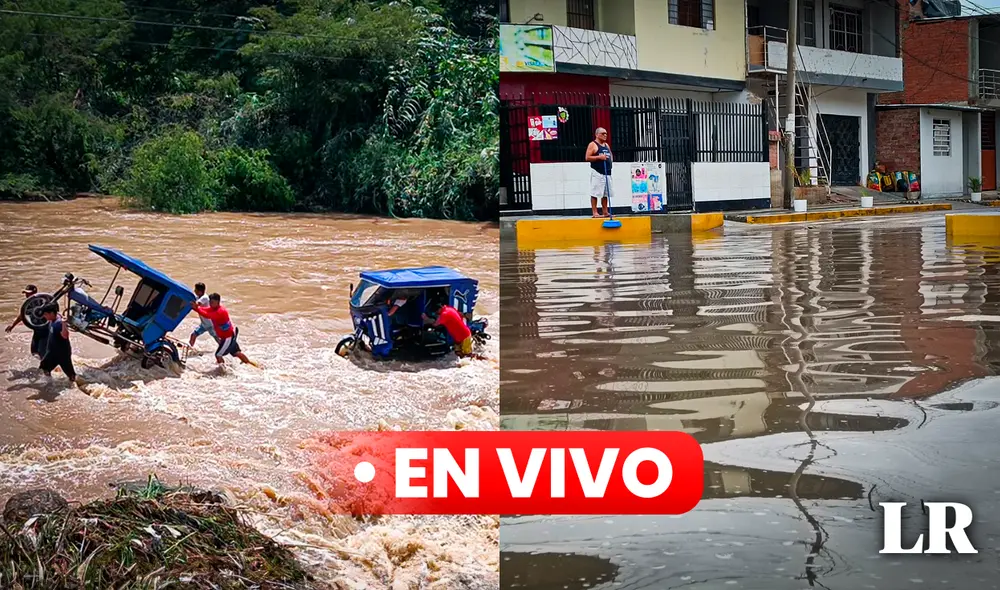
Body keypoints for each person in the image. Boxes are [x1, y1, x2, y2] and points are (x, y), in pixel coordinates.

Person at [190, 293, 259, 367]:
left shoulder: (220, 311)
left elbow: (207, 315)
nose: (210, 304)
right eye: (210, 302)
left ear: (218, 302)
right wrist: (197, 307)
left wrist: (197, 309)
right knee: (236, 353)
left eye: (212, 302)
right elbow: (207, 309)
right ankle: (251, 364)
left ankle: (223, 371)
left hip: (227, 337)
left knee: (218, 355)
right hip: (229, 335)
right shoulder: (213, 308)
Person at [5, 284, 49, 360]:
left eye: (29, 293)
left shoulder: (42, 302)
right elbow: (22, 315)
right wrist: (12, 325)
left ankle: (49, 368)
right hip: (37, 330)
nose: (26, 294)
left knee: (42, 352)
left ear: (34, 292)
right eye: (26, 293)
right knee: (34, 352)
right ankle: (44, 367)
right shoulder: (29, 303)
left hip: (45, 330)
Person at [38, 302, 77, 386]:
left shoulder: (59, 323)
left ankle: (75, 387)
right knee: (44, 368)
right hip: (51, 352)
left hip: (62, 354)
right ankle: (50, 384)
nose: (44, 316)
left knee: (71, 375)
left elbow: (65, 335)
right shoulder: (53, 319)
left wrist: (64, 324)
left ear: (51, 313)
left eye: (45, 314)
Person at [585, 127, 613, 218]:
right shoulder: (593, 145)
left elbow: (610, 155)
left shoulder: (606, 145)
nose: (605, 135)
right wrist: (598, 158)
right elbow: (587, 157)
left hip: (607, 173)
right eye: (603, 133)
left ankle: (605, 211)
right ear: (597, 135)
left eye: (606, 133)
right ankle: (595, 212)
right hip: (598, 172)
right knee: (596, 192)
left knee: (605, 193)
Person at [189, 282, 221, 347]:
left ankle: (224, 349)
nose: (194, 291)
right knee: (193, 335)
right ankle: (191, 348)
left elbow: (196, 305)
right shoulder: (199, 297)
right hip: (204, 324)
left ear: (200, 291)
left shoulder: (205, 297)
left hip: (210, 324)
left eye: (196, 290)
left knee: (217, 338)